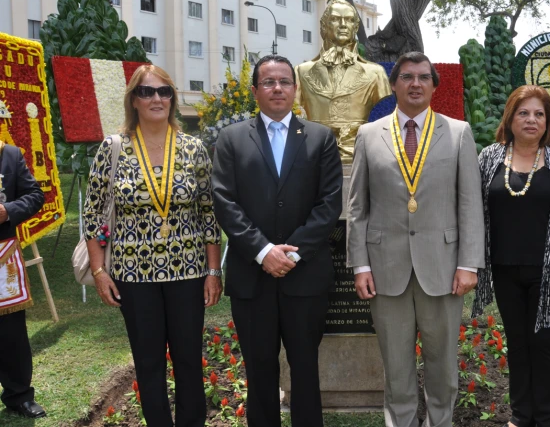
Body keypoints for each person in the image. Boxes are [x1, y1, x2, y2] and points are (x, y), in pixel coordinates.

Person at [347, 51, 484, 427]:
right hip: (385, 268)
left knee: (442, 361)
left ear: (434, 85)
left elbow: (470, 204)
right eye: (407, 77)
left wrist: (468, 264)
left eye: (424, 77)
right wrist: (360, 265)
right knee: (396, 362)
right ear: (394, 85)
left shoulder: (458, 133)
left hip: (442, 268)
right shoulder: (368, 135)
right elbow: (358, 206)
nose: (415, 84)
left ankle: (440, 422)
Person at [84, 64, 222, 427]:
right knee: (148, 361)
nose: (156, 98)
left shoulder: (194, 149)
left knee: (189, 358)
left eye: (164, 91)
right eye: (147, 92)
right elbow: (93, 215)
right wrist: (99, 271)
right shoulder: (113, 148)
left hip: (188, 272)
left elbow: (209, 214)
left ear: (173, 99)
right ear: (134, 99)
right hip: (133, 274)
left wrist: (213, 271)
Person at [212, 54, 343, 427]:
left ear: (295, 89)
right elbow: (225, 201)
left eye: (285, 81)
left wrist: (292, 255)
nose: (277, 88)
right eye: (268, 82)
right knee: (259, 371)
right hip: (252, 279)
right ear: (255, 90)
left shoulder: (320, 138)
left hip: (305, 278)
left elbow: (329, 204)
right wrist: (263, 251)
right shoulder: (232, 139)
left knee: (305, 369)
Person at [472, 85, 550, 427]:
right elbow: (474, 210)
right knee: (518, 345)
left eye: (539, 114)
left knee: (545, 345)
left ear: (547, 121)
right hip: (504, 269)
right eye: (524, 113)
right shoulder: (489, 157)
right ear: (510, 117)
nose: (532, 120)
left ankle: (549, 418)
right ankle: (522, 416)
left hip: (549, 271)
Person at [295, 0, 391, 162]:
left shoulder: (376, 73)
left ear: (355, 26)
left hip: (359, 152)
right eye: (335, 19)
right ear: (324, 25)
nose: (343, 24)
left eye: (348, 19)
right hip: (315, 154)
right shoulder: (301, 71)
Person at [0, 142, 45, 418]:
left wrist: (7, 210)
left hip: (2, 258)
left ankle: (18, 395)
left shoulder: (9, 155)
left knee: (11, 333)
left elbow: (34, 195)